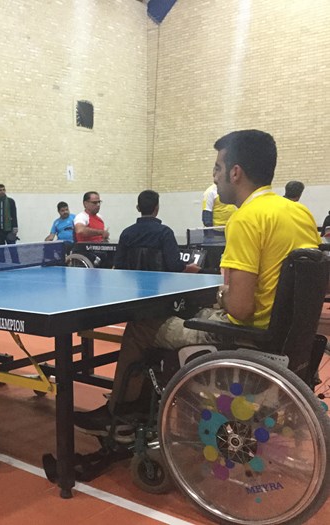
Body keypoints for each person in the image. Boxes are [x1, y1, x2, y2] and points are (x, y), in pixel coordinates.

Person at [74, 130, 321, 438]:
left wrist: (222, 294)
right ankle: (147, 405)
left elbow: (240, 308)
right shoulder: (300, 213)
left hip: (246, 337)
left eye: (218, 168)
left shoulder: (246, 219)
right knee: (182, 315)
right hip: (287, 336)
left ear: (235, 172)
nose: (214, 176)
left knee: (141, 326)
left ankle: (121, 413)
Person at [113, 190, 200, 273]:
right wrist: (189, 268)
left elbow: (118, 265)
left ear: (138, 208)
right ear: (157, 208)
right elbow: (174, 266)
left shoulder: (126, 234)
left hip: (133, 283)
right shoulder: (165, 233)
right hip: (160, 283)